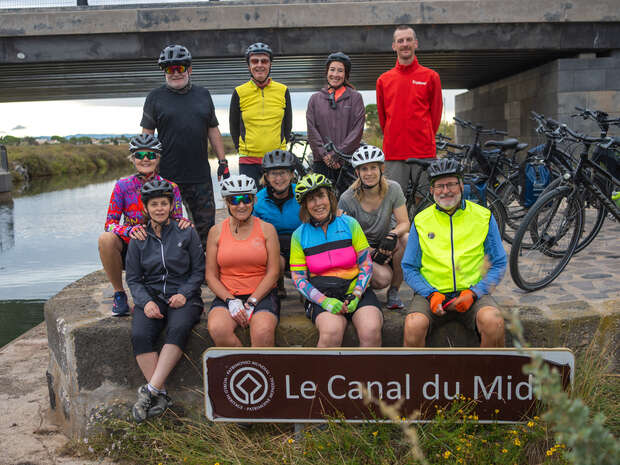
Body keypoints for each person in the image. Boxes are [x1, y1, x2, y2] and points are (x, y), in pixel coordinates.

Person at [401, 158, 506, 348]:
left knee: (494, 322)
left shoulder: (483, 216)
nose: (445, 191)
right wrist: (430, 294)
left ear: (461, 185)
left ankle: (486, 377)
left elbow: (498, 263)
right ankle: (417, 377)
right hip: (431, 294)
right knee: (413, 325)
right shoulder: (420, 220)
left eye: (451, 184)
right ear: (431, 190)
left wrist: (475, 292)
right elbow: (409, 267)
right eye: (439, 186)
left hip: (472, 292)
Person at [126, 180, 205, 422]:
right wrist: (144, 301)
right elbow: (133, 278)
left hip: (183, 295)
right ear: (146, 208)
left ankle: (149, 391)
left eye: (164, 203)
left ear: (171, 205)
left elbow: (198, 271)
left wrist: (184, 292)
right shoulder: (138, 237)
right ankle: (160, 394)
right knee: (139, 334)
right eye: (154, 204)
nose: (160, 208)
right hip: (151, 296)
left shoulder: (186, 231)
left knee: (178, 328)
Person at [141, 44, 229, 248]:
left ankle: (206, 272)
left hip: (200, 176)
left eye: (179, 68)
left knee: (206, 228)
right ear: (164, 72)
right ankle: (173, 271)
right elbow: (147, 134)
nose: (175, 73)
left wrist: (223, 161)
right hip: (168, 177)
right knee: (168, 227)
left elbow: (213, 129)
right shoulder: (154, 98)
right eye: (169, 69)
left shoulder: (203, 95)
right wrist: (146, 169)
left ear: (189, 69)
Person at [98, 134, 190, 316]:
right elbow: (109, 224)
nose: (145, 159)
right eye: (139, 155)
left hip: (160, 244)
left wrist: (184, 223)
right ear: (132, 159)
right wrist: (130, 230)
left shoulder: (171, 187)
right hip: (132, 244)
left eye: (151, 155)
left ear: (158, 158)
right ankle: (119, 294)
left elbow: (177, 218)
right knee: (105, 239)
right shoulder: (122, 186)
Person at [290, 173, 382, 347]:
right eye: (311, 200)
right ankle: (324, 375)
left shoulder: (350, 224)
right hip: (323, 294)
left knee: (371, 330)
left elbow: (366, 263)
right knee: (331, 332)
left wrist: (357, 293)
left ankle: (369, 375)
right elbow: (299, 279)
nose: (317, 204)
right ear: (305, 206)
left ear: (330, 197)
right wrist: (324, 301)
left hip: (355, 290)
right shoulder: (299, 235)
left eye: (321, 196)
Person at [205, 175, 280, 347]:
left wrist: (253, 301)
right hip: (229, 294)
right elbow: (210, 276)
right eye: (234, 200)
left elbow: (274, 272)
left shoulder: (267, 229)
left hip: (262, 294)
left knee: (262, 331)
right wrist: (230, 300)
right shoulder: (215, 232)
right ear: (227, 202)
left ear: (254, 200)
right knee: (218, 329)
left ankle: (262, 371)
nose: (241, 205)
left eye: (246, 199)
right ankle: (244, 368)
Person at [338, 145, 410, 310]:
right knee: (383, 278)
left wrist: (392, 235)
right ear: (357, 173)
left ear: (382, 168)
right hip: (362, 248)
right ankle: (363, 283)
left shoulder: (393, 189)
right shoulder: (347, 198)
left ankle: (394, 291)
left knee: (406, 238)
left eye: (373, 168)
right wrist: (370, 251)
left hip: (387, 243)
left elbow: (404, 223)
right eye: (364, 169)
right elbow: (343, 235)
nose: (369, 173)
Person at [376, 25, 443, 198]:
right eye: (400, 41)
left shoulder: (431, 77)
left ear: (416, 44)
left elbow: (435, 116)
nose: (405, 44)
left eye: (408, 40)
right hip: (394, 153)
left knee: (425, 202)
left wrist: (424, 134)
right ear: (394, 46)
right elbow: (383, 119)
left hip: (424, 152)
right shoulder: (383, 80)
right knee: (395, 203)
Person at [229, 42, 292, 186]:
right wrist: (242, 148)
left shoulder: (282, 90)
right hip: (248, 161)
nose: (259, 65)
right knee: (251, 204)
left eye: (264, 61)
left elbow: (287, 125)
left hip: (278, 159)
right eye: (254, 61)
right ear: (249, 65)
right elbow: (234, 126)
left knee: (277, 203)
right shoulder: (239, 91)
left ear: (270, 64)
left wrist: (280, 146)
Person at [306, 52, 365, 185]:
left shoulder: (355, 98)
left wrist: (338, 154)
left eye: (340, 70)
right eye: (332, 70)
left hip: (347, 162)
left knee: (347, 202)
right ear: (327, 72)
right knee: (322, 201)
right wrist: (325, 154)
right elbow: (312, 129)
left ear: (346, 74)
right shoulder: (315, 99)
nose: (335, 74)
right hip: (321, 161)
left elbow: (357, 129)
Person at [254, 149, 302, 297]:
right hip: (273, 246)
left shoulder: (302, 193)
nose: (279, 178)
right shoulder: (257, 200)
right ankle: (278, 285)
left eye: (283, 173)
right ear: (266, 176)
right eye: (274, 173)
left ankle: (305, 289)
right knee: (277, 261)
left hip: (300, 244)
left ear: (292, 174)